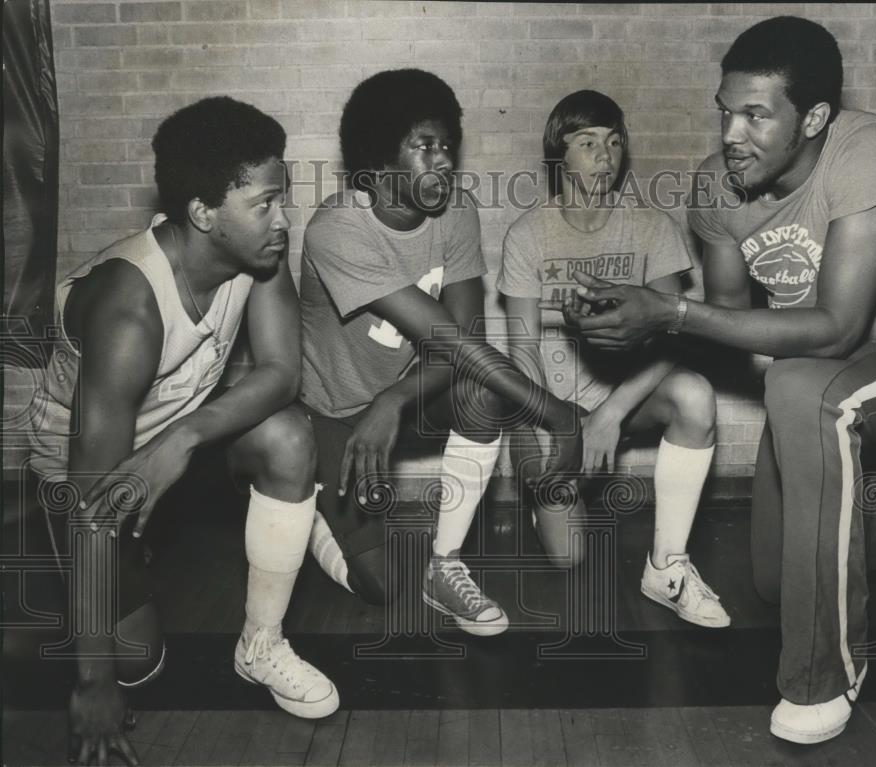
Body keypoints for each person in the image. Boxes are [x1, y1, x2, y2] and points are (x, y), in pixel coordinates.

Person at [559, 16, 876, 744]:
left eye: (756, 115)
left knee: (802, 390)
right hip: (807, 384)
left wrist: (670, 312)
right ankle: (867, 459)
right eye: (726, 110)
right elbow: (722, 321)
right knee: (775, 584)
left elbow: (841, 327)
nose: (731, 133)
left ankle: (827, 673)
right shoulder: (717, 189)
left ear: (813, 118)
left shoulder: (869, 154)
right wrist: (644, 333)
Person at [29, 97, 339, 766]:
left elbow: (282, 373)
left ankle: (264, 641)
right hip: (87, 474)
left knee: (288, 434)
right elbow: (91, 504)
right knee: (138, 664)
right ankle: (274, 525)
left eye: (279, 199)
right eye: (264, 203)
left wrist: (179, 442)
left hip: (178, 437)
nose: (283, 219)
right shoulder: (127, 306)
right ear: (202, 214)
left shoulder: (261, 252)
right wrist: (94, 682)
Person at [299, 69, 584, 637]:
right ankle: (302, 501)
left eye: (447, 146)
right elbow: (451, 340)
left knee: (481, 392)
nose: (444, 161)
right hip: (331, 413)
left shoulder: (455, 211)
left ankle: (445, 567)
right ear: (379, 158)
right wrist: (557, 413)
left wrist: (394, 399)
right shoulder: (336, 229)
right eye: (424, 147)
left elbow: (465, 340)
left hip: (405, 399)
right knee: (377, 587)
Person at [498, 90, 729, 629]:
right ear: (560, 156)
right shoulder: (528, 234)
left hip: (623, 403)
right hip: (550, 409)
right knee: (568, 556)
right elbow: (523, 349)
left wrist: (609, 415)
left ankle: (667, 566)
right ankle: (552, 498)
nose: (605, 155)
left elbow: (679, 335)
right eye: (587, 143)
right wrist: (544, 432)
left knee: (696, 394)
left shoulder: (651, 227)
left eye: (614, 141)